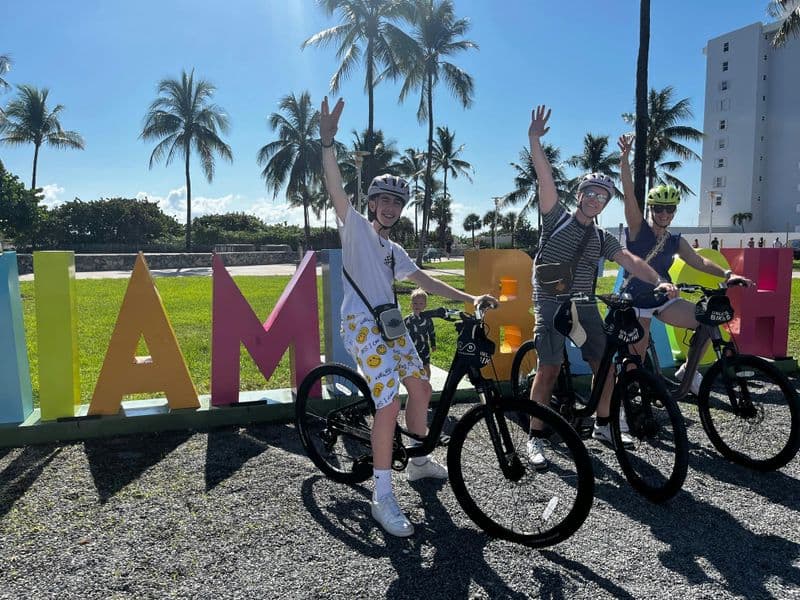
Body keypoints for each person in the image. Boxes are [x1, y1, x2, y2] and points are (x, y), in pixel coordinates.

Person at [319, 97, 497, 538]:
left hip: (391, 323)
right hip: (360, 324)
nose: (390, 208)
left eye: (397, 204)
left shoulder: (393, 250)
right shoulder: (356, 227)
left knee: (420, 387)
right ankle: (382, 495)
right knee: (388, 402)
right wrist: (327, 143)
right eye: (384, 200)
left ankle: (417, 461)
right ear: (372, 201)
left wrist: (468, 296)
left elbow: (426, 280)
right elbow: (335, 188)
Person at [526, 106, 678, 468]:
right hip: (549, 299)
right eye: (590, 193)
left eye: (602, 197)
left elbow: (628, 259)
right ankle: (535, 437)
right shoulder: (556, 218)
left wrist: (660, 280)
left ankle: (605, 425)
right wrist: (534, 139)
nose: (595, 200)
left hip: (582, 302)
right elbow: (545, 178)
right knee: (547, 369)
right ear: (580, 195)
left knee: (605, 365)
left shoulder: (601, 237)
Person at [617, 134, 752, 394]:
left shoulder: (675, 241)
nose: (664, 214)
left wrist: (727, 273)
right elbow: (629, 196)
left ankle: (687, 372)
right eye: (659, 209)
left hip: (663, 297)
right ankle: (621, 409)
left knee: (707, 323)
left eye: (669, 209)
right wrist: (624, 160)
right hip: (635, 299)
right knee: (635, 361)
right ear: (651, 209)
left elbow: (699, 261)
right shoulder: (637, 229)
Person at [404, 288, 436, 379]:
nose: (417, 305)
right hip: (411, 347)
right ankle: (416, 381)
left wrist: (433, 344)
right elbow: (403, 333)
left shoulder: (428, 319)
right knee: (413, 365)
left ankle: (427, 381)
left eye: (421, 303)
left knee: (425, 365)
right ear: (411, 304)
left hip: (424, 347)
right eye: (415, 303)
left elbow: (432, 332)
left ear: (425, 305)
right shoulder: (407, 319)